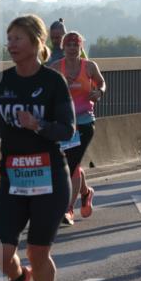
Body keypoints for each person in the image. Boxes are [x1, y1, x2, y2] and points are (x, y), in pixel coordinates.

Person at [0, 14, 75, 281]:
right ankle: (19, 278)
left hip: (49, 177)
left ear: (37, 42)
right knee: (0, 250)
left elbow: (67, 129)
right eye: (9, 38)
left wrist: (37, 124)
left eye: (18, 38)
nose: (11, 44)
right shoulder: (0, 81)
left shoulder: (53, 83)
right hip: (13, 177)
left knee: (38, 251)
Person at [49, 30, 106, 224]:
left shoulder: (89, 66)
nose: (72, 48)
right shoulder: (56, 67)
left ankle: (68, 210)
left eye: (76, 45)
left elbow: (102, 83)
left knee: (71, 165)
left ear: (80, 47)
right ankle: (86, 192)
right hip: (64, 124)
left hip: (84, 122)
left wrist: (99, 92)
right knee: (72, 164)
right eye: (69, 45)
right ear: (63, 47)